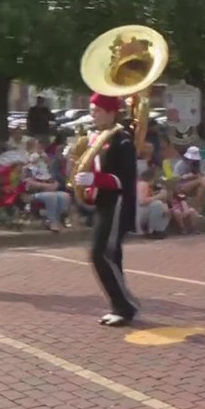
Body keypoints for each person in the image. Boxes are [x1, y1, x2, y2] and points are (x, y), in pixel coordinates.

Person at [73, 94, 140, 327]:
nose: (93, 114)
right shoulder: (96, 137)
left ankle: (125, 305)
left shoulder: (122, 141)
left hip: (118, 203)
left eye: (98, 110)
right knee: (111, 255)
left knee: (100, 253)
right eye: (92, 110)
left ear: (112, 112)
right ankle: (120, 305)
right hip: (102, 202)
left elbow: (125, 179)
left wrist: (95, 178)